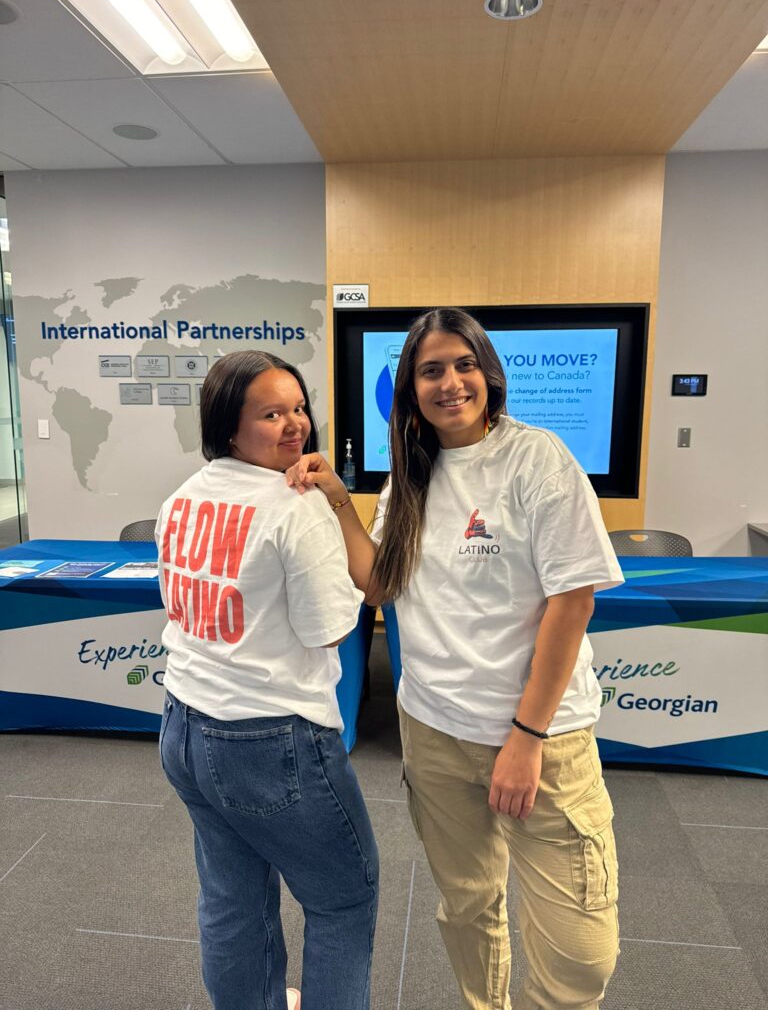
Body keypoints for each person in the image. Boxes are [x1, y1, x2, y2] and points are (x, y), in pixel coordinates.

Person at [287, 308, 624, 1010]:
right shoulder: (411, 475)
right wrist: (339, 503)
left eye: (463, 365)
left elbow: (573, 605)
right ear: (409, 389)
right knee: (469, 909)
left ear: (489, 374)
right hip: (435, 733)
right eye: (430, 370)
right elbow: (381, 582)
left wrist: (525, 741)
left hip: (540, 741)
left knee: (582, 956)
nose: (450, 383)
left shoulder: (538, 459)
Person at [155, 350, 379, 1010]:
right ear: (229, 427)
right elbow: (330, 629)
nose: (294, 426)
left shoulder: (183, 498)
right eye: (271, 413)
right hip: (273, 740)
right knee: (344, 900)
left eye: (299, 407)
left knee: (233, 901)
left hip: (185, 726)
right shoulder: (295, 507)